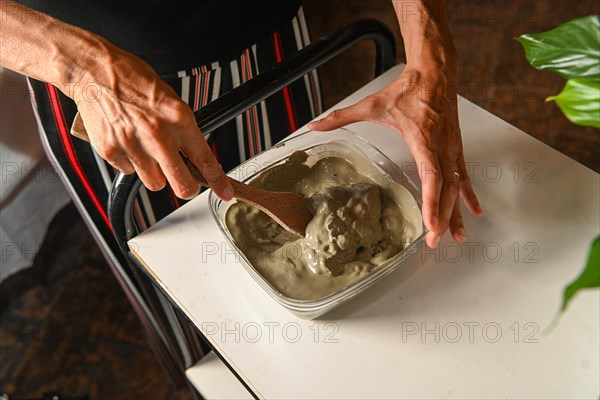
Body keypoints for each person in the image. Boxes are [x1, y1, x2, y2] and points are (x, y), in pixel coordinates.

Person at [0, 0, 482, 249]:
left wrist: (430, 54)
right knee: (182, 284)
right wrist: (85, 69)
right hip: (103, 94)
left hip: (275, 44)